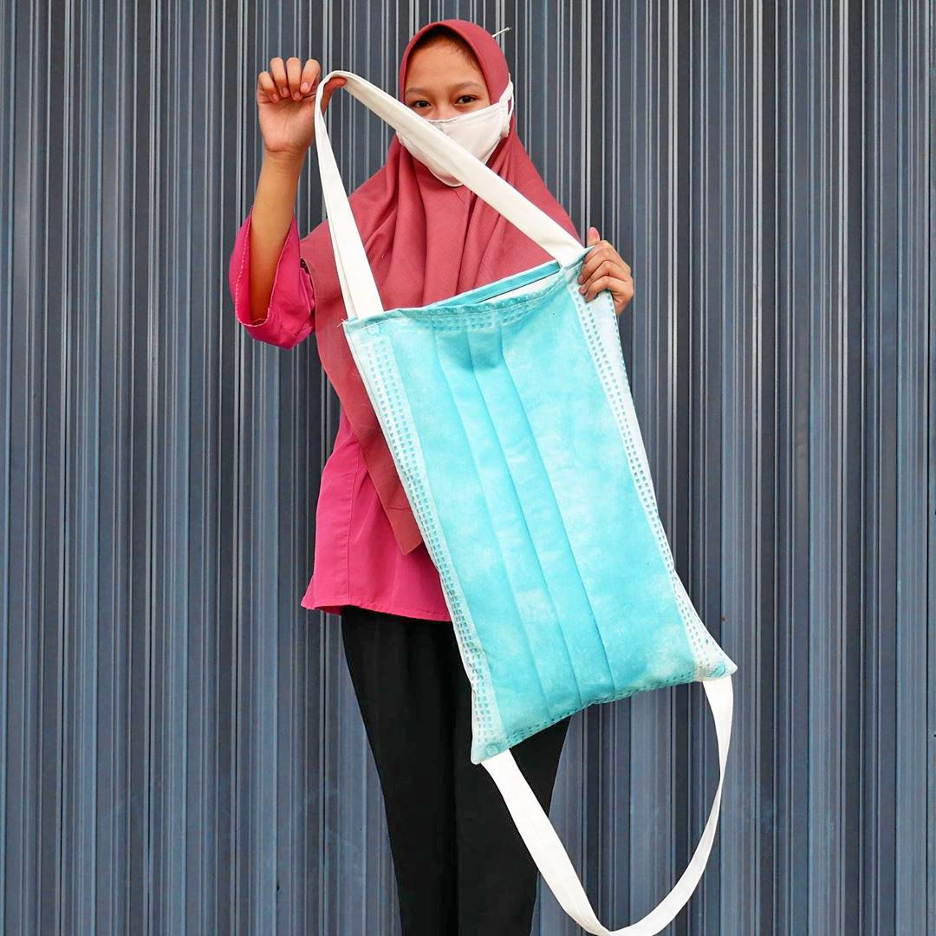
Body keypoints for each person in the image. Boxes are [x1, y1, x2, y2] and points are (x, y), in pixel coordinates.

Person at [228, 18, 634, 935]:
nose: (441, 121)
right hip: (388, 574)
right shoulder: (364, 222)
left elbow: (571, 425)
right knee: (426, 874)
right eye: (418, 104)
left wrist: (600, 307)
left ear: (502, 106)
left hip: (520, 590)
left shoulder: (547, 237)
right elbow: (269, 310)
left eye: (463, 100)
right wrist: (284, 159)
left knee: (499, 886)